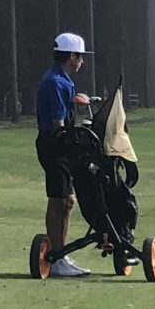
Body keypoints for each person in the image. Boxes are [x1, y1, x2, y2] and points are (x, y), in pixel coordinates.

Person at [36, 33, 92, 278]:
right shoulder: (57, 82)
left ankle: (61, 253)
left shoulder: (61, 79)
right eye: (80, 57)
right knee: (60, 199)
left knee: (66, 200)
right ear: (71, 56)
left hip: (55, 143)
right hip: (54, 144)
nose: (82, 62)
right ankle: (58, 258)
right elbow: (59, 124)